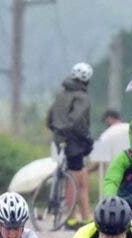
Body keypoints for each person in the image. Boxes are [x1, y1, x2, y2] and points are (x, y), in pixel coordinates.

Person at [47, 62, 95, 229]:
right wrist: (87, 139)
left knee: (75, 176)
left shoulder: (61, 95)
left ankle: (84, 216)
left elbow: (49, 118)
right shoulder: (82, 97)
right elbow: (77, 121)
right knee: (77, 180)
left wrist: (57, 130)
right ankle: (72, 218)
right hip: (74, 142)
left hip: (59, 140)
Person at [88, 109, 130, 174]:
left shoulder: (106, 135)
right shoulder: (131, 128)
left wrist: (86, 171)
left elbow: (98, 161)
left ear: (109, 119)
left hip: (115, 173)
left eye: (105, 121)